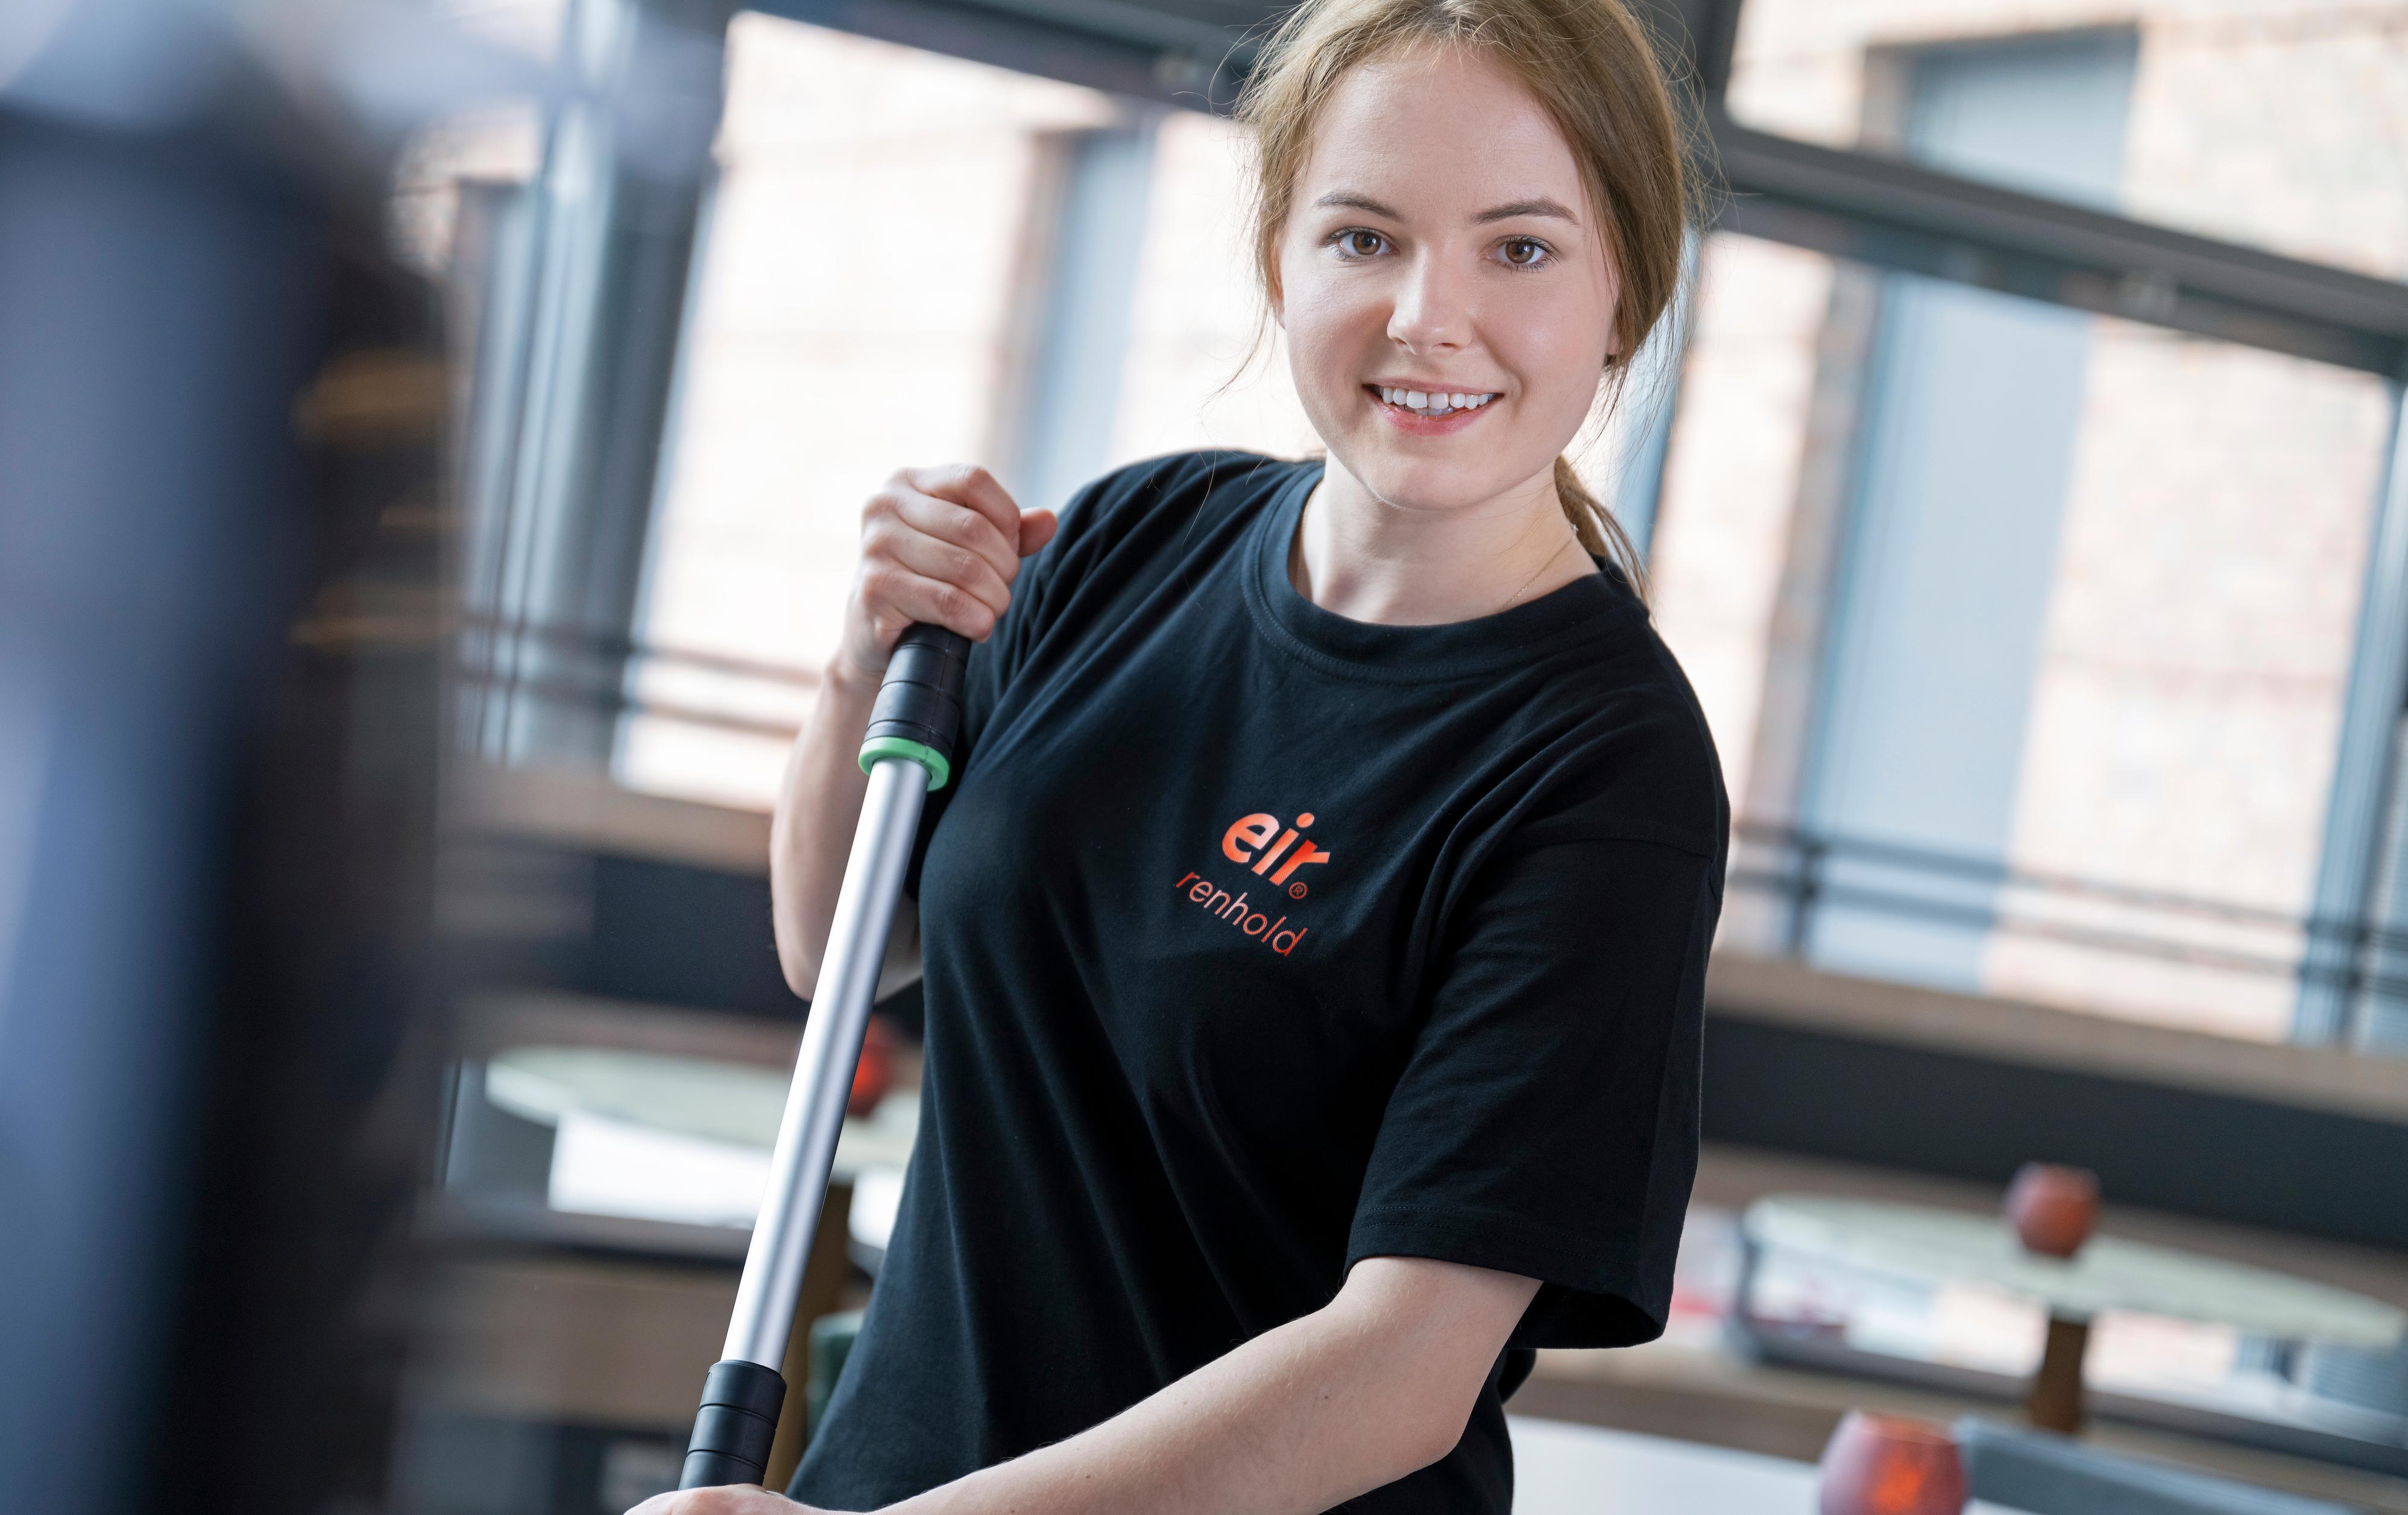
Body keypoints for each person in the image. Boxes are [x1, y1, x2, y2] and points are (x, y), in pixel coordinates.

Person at [638, 0, 1723, 1508]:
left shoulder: (1606, 766)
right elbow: (837, 943)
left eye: (1520, 249)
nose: (1427, 312)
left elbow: (1400, 1374)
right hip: (885, 1475)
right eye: (1361, 237)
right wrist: (861, 654)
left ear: (1623, 298)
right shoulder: (1133, 539)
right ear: (1280, 256)